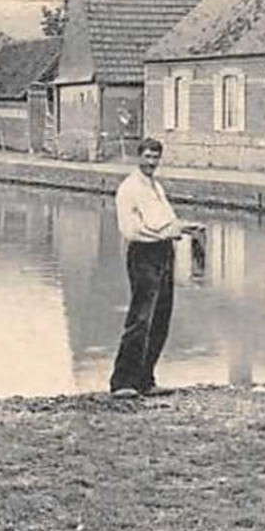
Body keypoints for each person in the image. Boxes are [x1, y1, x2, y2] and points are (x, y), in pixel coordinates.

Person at [110, 137, 197, 398]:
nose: (151, 163)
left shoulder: (156, 187)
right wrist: (165, 234)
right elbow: (132, 230)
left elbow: (165, 221)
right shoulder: (129, 188)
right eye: (147, 157)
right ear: (138, 157)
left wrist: (183, 227)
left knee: (161, 318)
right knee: (140, 317)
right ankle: (122, 382)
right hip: (143, 255)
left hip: (164, 254)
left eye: (155, 158)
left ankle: (145, 379)